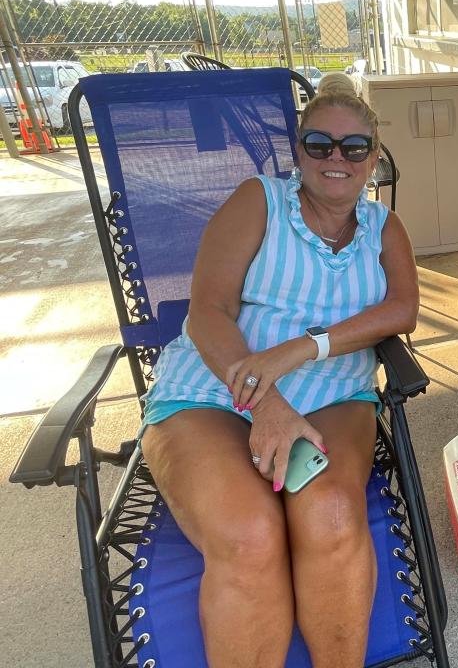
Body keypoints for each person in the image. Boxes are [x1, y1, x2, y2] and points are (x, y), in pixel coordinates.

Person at [139, 79, 417, 667]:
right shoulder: (258, 200)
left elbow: (401, 310)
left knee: (332, 516)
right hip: (212, 390)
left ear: (374, 158)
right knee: (248, 535)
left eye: (354, 147)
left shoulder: (384, 228)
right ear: (298, 150)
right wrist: (264, 403)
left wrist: (299, 351)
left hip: (332, 393)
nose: (336, 158)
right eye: (319, 144)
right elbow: (206, 309)